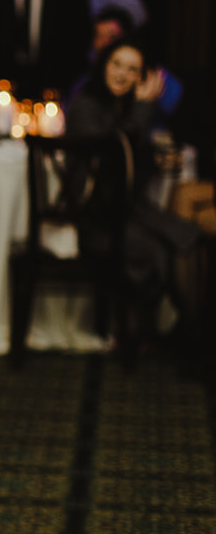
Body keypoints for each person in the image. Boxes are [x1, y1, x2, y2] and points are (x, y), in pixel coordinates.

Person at [66, 36, 200, 327]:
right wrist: (143, 107)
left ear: (141, 76)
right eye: (117, 64)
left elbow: (131, 169)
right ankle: (171, 328)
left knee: (185, 235)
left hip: (125, 210)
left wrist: (156, 160)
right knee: (158, 246)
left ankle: (188, 330)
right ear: (104, 64)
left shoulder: (124, 107)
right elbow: (111, 157)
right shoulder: (85, 105)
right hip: (96, 217)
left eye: (131, 69)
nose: (121, 74)